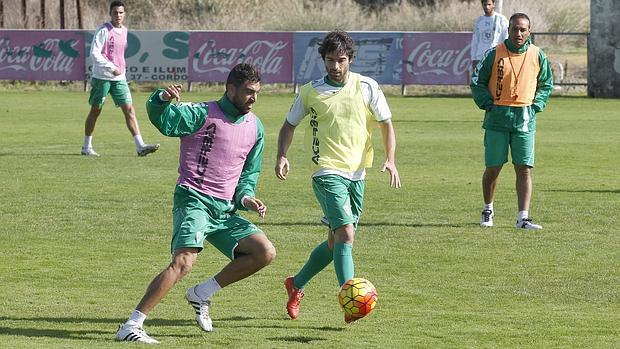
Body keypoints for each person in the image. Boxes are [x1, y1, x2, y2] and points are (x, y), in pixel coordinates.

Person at [115, 63, 275, 344]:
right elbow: (162, 118)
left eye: (257, 93)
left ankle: (202, 293)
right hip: (194, 200)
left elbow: (248, 173)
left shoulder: (255, 127)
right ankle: (132, 324)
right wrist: (161, 100)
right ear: (231, 89)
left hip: (224, 210)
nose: (253, 98)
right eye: (249, 92)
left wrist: (246, 197)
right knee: (183, 262)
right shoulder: (201, 113)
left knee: (264, 252)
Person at [274, 30, 401, 324]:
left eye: (340, 60)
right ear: (323, 60)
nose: (335, 66)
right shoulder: (310, 91)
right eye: (330, 60)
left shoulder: (368, 87)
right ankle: (352, 301)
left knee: (335, 244)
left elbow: (386, 124)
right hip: (326, 170)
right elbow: (288, 125)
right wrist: (282, 154)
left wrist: (391, 159)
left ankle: (297, 284)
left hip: (357, 173)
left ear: (350, 60)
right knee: (346, 234)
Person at [470, 13, 553, 230]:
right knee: (493, 167)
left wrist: (536, 105)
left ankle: (523, 218)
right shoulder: (494, 53)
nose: (518, 33)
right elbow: (477, 81)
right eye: (515, 29)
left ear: (529, 31)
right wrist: (487, 103)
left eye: (523, 29)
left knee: (524, 168)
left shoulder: (537, 55)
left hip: (524, 118)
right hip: (497, 117)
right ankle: (488, 209)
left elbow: (546, 84)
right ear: (508, 30)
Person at [81, 0, 159, 157]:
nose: (118, 15)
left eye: (121, 12)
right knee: (96, 111)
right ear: (110, 13)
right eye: (115, 12)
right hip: (102, 77)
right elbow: (95, 53)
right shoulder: (103, 30)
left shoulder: (124, 31)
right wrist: (111, 67)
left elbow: (118, 54)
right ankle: (86, 147)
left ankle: (140, 146)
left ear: (124, 14)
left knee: (129, 110)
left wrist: (120, 70)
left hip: (119, 78)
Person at [470, 0, 509, 70]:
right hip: (480, 57)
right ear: (482, 5)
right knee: (481, 80)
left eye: (489, 4)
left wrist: (505, 55)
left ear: (493, 4)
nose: (487, 7)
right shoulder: (479, 20)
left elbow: (506, 38)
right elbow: (475, 41)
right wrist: (473, 58)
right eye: (485, 5)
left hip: (496, 57)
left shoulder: (501, 19)